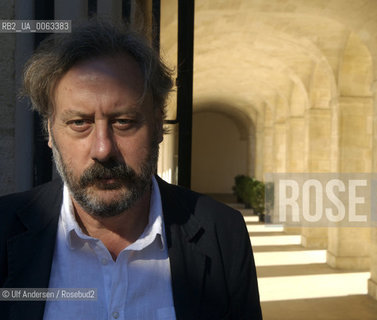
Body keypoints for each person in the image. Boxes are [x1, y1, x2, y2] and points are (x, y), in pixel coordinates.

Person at [0, 21, 262, 320]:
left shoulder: (222, 232)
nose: (103, 149)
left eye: (123, 121)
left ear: (159, 122)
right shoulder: (4, 228)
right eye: (79, 122)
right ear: (50, 130)